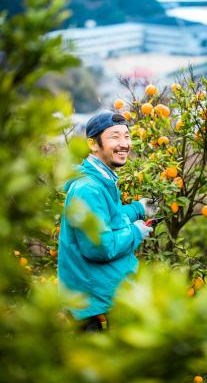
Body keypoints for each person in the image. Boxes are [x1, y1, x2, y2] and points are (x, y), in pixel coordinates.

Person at [58, 112, 157, 331]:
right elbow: (98, 246)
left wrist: (138, 209)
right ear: (93, 144)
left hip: (105, 301)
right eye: (115, 137)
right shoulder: (88, 188)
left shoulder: (101, 180)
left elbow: (107, 220)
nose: (124, 144)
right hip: (95, 310)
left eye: (127, 136)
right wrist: (136, 232)